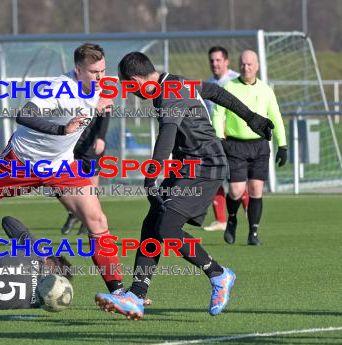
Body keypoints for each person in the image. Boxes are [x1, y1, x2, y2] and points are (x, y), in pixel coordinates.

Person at [94, 51, 275, 320]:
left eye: (128, 86)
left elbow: (167, 134)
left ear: (135, 80)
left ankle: (218, 274)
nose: (129, 92)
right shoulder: (176, 82)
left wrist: (151, 174)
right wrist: (251, 117)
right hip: (186, 166)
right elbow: (214, 91)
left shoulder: (169, 91)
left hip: (206, 166)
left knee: (167, 227)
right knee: (152, 223)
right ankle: (136, 295)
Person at [0, 43, 124, 294]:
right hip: (22, 160)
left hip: (61, 165)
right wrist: (62, 129)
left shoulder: (103, 85)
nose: (100, 77)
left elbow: (101, 105)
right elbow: (25, 114)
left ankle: (118, 292)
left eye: (103, 70)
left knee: (97, 220)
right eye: (94, 72)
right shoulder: (58, 88)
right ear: (78, 70)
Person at [212, 49, 287, 246]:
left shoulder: (265, 90)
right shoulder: (229, 87)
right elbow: (218, 113)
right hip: (235, 145)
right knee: (236, 190)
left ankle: (253, 234)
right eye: (243, 64)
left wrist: (283, 145)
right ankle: (232, 219)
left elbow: (276, 117)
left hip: (260, 145)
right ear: (238, 65)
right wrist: (219, 137)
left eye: (250, 64)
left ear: (257, 66)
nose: (246, 67)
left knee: (256, 189)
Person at [203, 46, 249, 232]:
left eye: (218, 60)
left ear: (226, 61)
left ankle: (250, 213)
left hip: (233, 138)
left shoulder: (237, 80)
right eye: (212, 60)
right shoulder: (207, 84)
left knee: (235, 179)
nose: (214, 64)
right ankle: (220, 220)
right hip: (212, 139)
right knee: (213, 176)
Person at [60, 110, 110, 235]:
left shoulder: (98, 93)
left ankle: (88, 220)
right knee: (59, 184)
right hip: (69, 144)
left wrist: (101, 138)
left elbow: (106, 112)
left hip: (90, 145)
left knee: (92, 185)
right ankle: (74, 213)